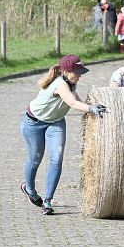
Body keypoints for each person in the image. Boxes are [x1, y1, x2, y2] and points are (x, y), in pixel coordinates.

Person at [20, 55, 107, 215]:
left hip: (56, 122)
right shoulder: (60, 84)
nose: (80, 76)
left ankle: (47, 201)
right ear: (67, 72)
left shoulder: (70, 84)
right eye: (78, 72)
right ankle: (29, 189)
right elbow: (73, 103)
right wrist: (91, 109)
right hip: (33, 123)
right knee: (35, 159)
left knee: (57, 158)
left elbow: (78, 102)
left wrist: (91, 107)